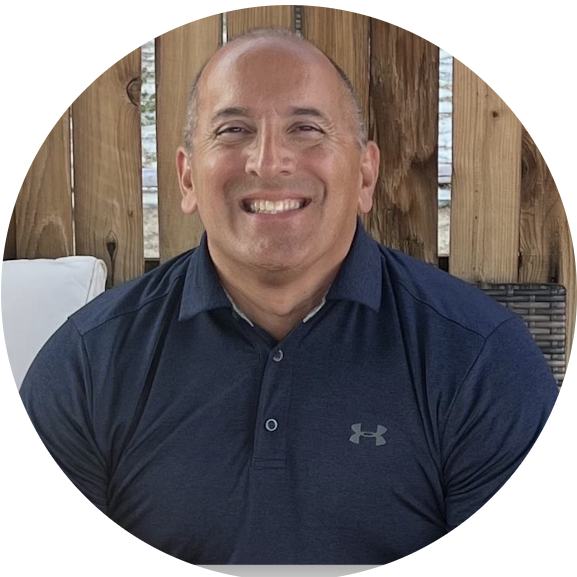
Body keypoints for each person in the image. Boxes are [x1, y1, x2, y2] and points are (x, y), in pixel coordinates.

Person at [20, 28, 558, 565]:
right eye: (233, 130)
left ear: (365, 174)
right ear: (187, 179)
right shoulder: (86, 365)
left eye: (306, 128)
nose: (268, 161)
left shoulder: (481, 362)